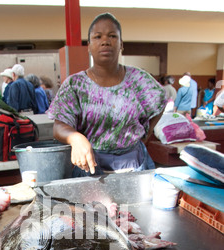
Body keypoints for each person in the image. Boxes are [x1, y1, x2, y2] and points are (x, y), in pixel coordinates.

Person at [48, 12, 166, 176]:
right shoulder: (75, 85)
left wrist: (145, 134)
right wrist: (75, 138)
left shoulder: (139, 80)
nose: (105, 41)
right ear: (88, 46)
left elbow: (160, 102)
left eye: (112, 36)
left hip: (134, 165)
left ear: (121, 44)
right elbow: (59, 126)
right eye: (97, 37)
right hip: (91, 166)